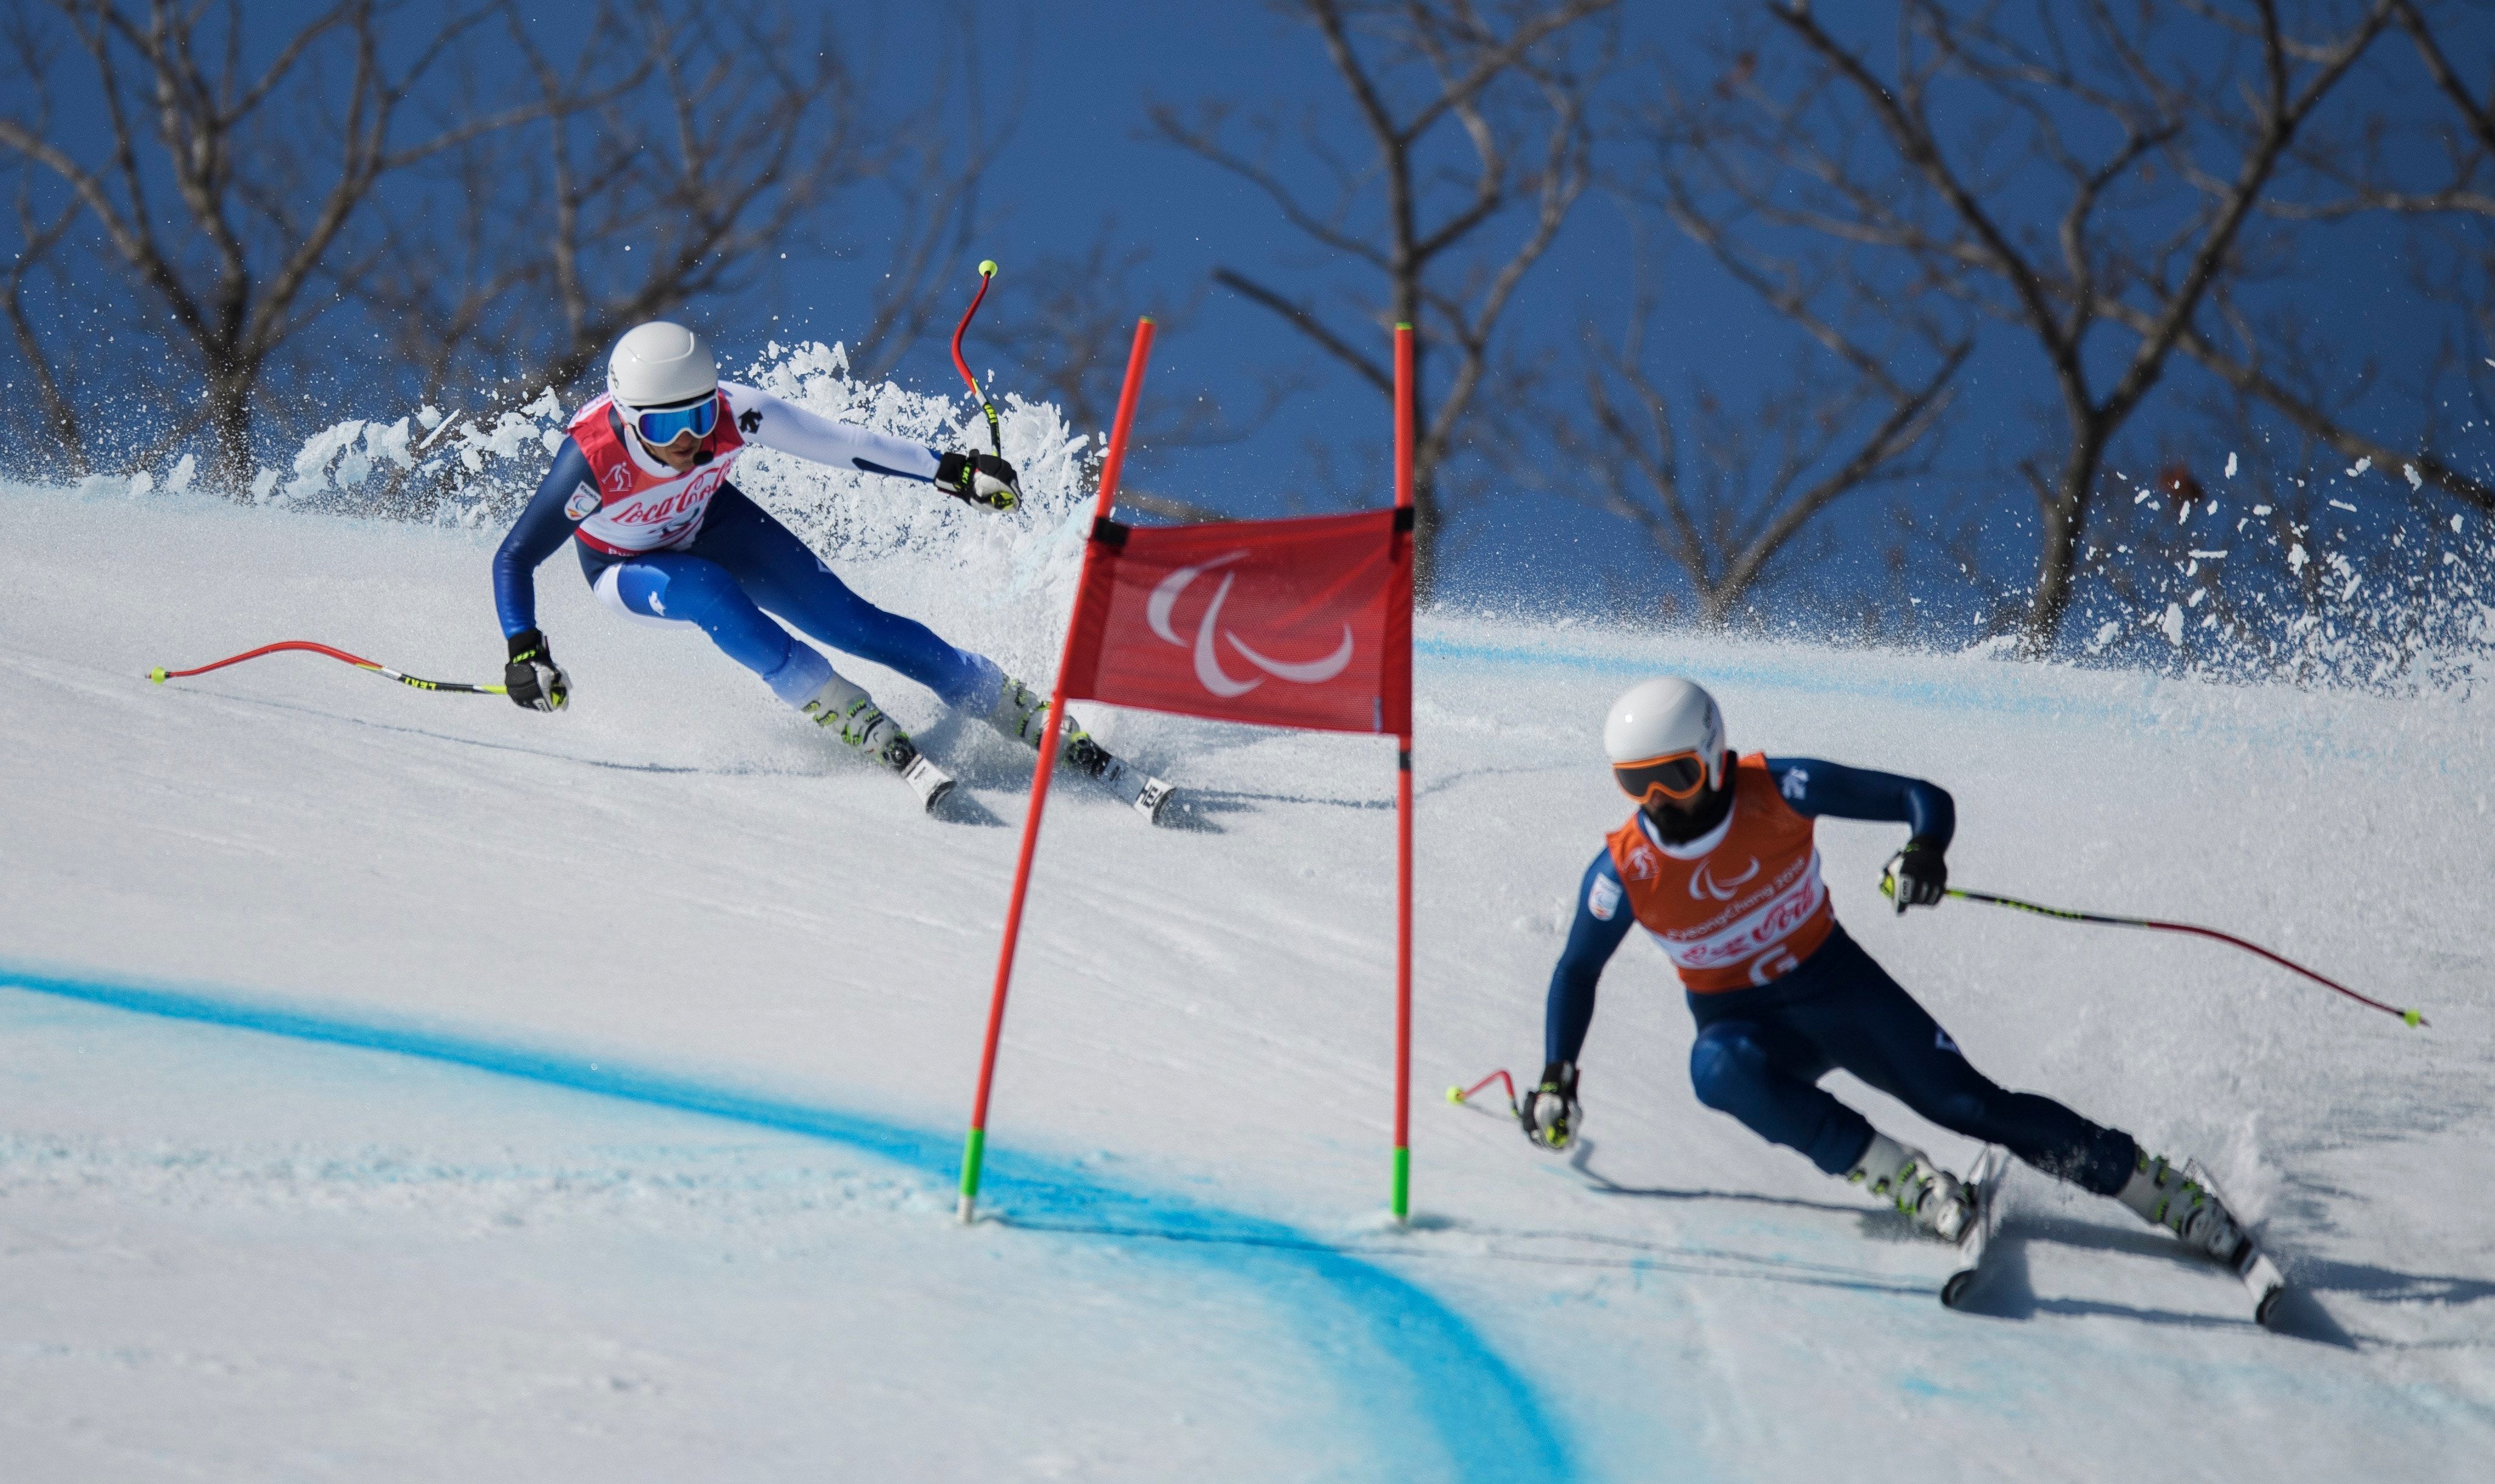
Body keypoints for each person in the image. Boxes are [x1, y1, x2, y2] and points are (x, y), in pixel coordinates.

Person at [1523, 675, 2245, 1262]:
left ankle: (2152, 1188)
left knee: (1966, 1106)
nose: (1656, 802)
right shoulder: (1625, 871)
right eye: (1634, 783)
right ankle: (1904, 1176)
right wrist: (1558, 1073)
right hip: (1747, 1029)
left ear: (1712, 758)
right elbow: (1577, 970)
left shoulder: (1774, 788)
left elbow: (1920, 798)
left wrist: (1925, 849)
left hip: (1838, 989)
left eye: (1672, 777)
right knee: (1714, 1070)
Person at [490, 321, 1169, 819]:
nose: (693, 441)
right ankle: (849, 713)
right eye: (669, 431)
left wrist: (951, 470)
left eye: (699, 416)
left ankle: (1009, 704)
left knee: (853, 622)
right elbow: (515, 556)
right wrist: (525, 646)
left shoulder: (735, 411)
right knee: (709, 593)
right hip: (626, 564)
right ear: (631, 421)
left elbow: (843, 446)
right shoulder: (590, 462)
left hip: (712, 522)